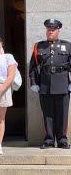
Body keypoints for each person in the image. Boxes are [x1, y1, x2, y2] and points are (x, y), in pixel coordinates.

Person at [29, 19, 71, 149]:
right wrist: (34, 83)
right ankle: (49, 140)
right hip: (45, 85)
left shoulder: (68, 46)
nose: (50, 31)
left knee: (63, 114)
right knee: (47, 114)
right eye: (48, 29)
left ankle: (62, 140)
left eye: (53, 29)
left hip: (63, 83)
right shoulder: (38, 46)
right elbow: (33, 66)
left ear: (58, 30)